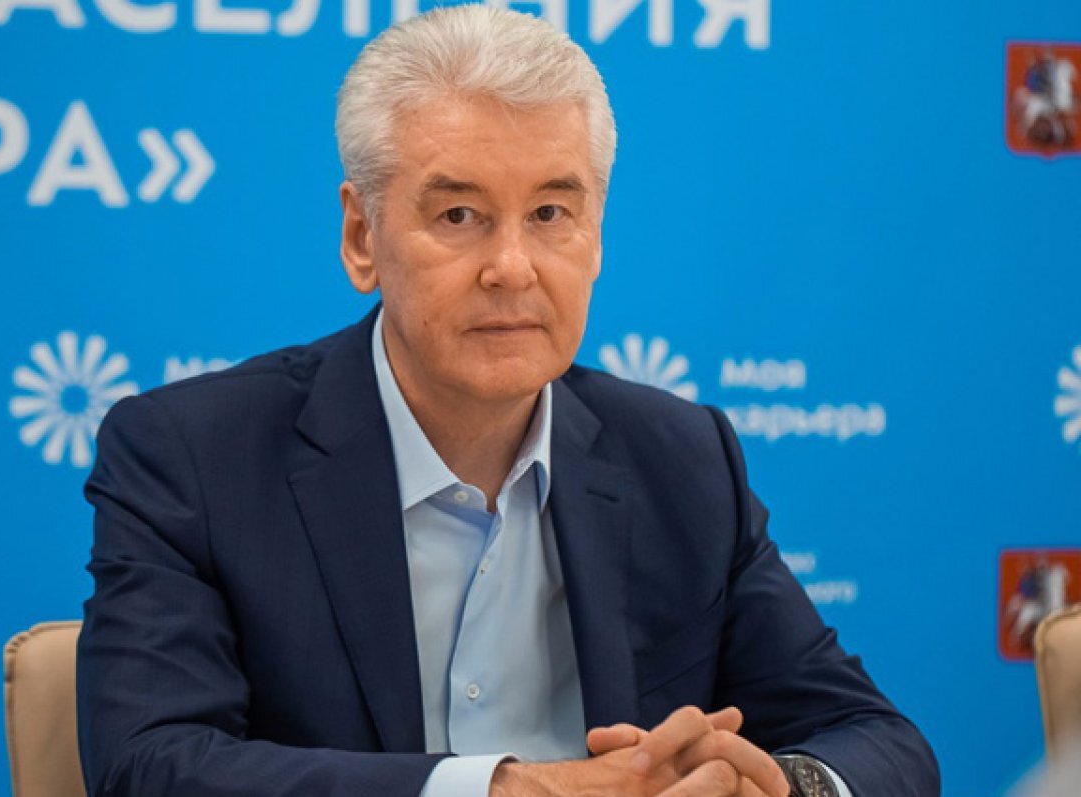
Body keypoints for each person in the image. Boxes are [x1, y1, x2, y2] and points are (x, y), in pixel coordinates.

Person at [76, 6, 940, 797]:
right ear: (361, 236)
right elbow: (149, 763)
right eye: (459, 215)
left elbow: (880, 741)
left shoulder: (682, 458)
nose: (513, 267)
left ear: (596, 235)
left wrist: (778, 785)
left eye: (552, 213)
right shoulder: (193, 456)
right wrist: (507, 789)